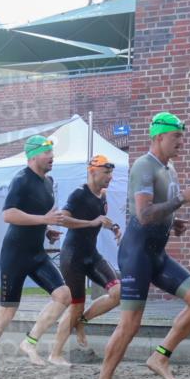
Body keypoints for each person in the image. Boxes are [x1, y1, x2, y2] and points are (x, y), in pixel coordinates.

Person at [93, 113, 190, 379]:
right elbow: (144, 215)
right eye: (176, 137)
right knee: (130, 325)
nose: (181, 142)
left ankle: (160, 357)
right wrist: (182, 199)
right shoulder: (144, 167)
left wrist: (173, 222)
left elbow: (157, 210)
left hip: (156, 254)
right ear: (159, 137)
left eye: (181, 137)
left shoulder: (168, 168)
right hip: (136, 255)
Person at [0, 135, 72, 379]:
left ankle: (30, 342)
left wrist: (46, 230)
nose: (52, 157)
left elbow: (36, 214)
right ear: (33, 155)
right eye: (47, 152)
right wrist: (44, 220)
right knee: (8, 311)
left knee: (63, 296)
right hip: (15, 254)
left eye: (52, 152)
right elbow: (8, 215)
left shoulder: (48, 182)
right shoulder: (20, 180)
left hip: (36, 252)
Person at [48, 155, 122, 366]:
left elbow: (100, 219)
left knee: (118, 292)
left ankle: (82, 321)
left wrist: (114, 227)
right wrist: (92, 222)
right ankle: (55, 353)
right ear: (92, 171)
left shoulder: (103, 196)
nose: (110, 177)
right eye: (106, 172)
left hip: (92, 254)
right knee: (75, 307)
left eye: (111, 173)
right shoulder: (79, 194)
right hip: (73, 257)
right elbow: (62, 219)